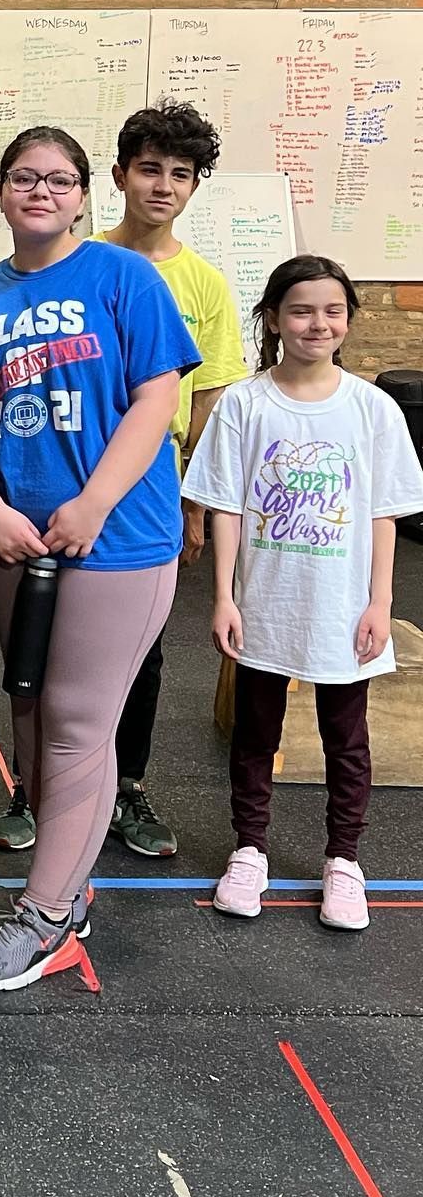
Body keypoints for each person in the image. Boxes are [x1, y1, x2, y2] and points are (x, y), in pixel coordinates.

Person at [0, 125, 199, 991]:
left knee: (81, 725)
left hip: (115, 541)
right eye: (23, 177)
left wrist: (92, 503)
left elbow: (158, 394)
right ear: (2, 190)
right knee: (34, 721)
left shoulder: (126, 279)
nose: (39, 191)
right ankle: (68, 889)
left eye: (57, 179)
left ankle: (43, 919)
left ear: (85, 194)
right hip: (12, 541)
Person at [0, 99, 248, 858]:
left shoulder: (201, 286)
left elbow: (204, 400)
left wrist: (194, 501)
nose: (163, 186)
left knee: (138, 655)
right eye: (149, 169)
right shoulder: (75, 258)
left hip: (142, 495)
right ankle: (31, 787)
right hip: (48, 482)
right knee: (34, 657)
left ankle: (125, 786)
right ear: (118, 178)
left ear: (195, 186)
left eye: (180, 174)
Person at [183, 256, 423, 931]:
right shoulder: (244, 404)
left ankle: (344, 861)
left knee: (347, 737)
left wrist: (380, 602)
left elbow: (384, 514)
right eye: (300, 310)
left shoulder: (372, 409)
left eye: (331, 310)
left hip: (343, 604)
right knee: (255, 734)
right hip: (267, 600)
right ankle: (249, 850)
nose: (317, 323)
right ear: (273, 319)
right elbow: (225, 505)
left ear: (348, 319)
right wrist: (225, 596)